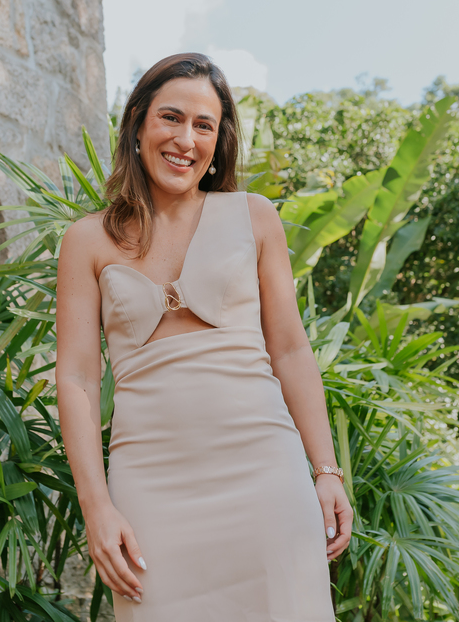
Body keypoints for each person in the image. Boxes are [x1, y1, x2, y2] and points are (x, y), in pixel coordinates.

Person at [55, 53, 353, 620]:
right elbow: (76, 377)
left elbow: (290, 350)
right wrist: (96, 507)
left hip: (267, 480)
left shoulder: (254, 217)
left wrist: (327, 471)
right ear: (139, 121)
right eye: (171, 118)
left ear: (218, 142)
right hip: (150, 495)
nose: (184, 139)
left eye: (204, 126)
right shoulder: (86, 240)